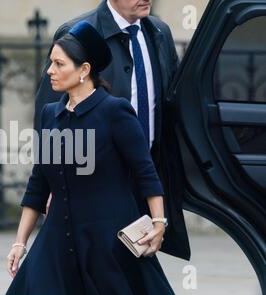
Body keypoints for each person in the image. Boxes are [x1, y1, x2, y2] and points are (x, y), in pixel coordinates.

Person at [4, 21, 176, 295]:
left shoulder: (115, 111)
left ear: (84, 70)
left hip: (108, 243)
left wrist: (159, 222)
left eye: (59, 64)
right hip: (56, 243)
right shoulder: (50, 114)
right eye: (51, 63)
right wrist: (19, 243)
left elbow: (145, 172)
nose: (50, 70)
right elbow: (38, 184)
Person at [35, 0, 190, 262]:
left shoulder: (159, 33)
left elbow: (171, 105)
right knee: (89, 266)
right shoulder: (78, 32)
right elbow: (50, 114)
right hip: (92, 183)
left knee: (135, 266)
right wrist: (53, 183)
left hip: (144, 173)